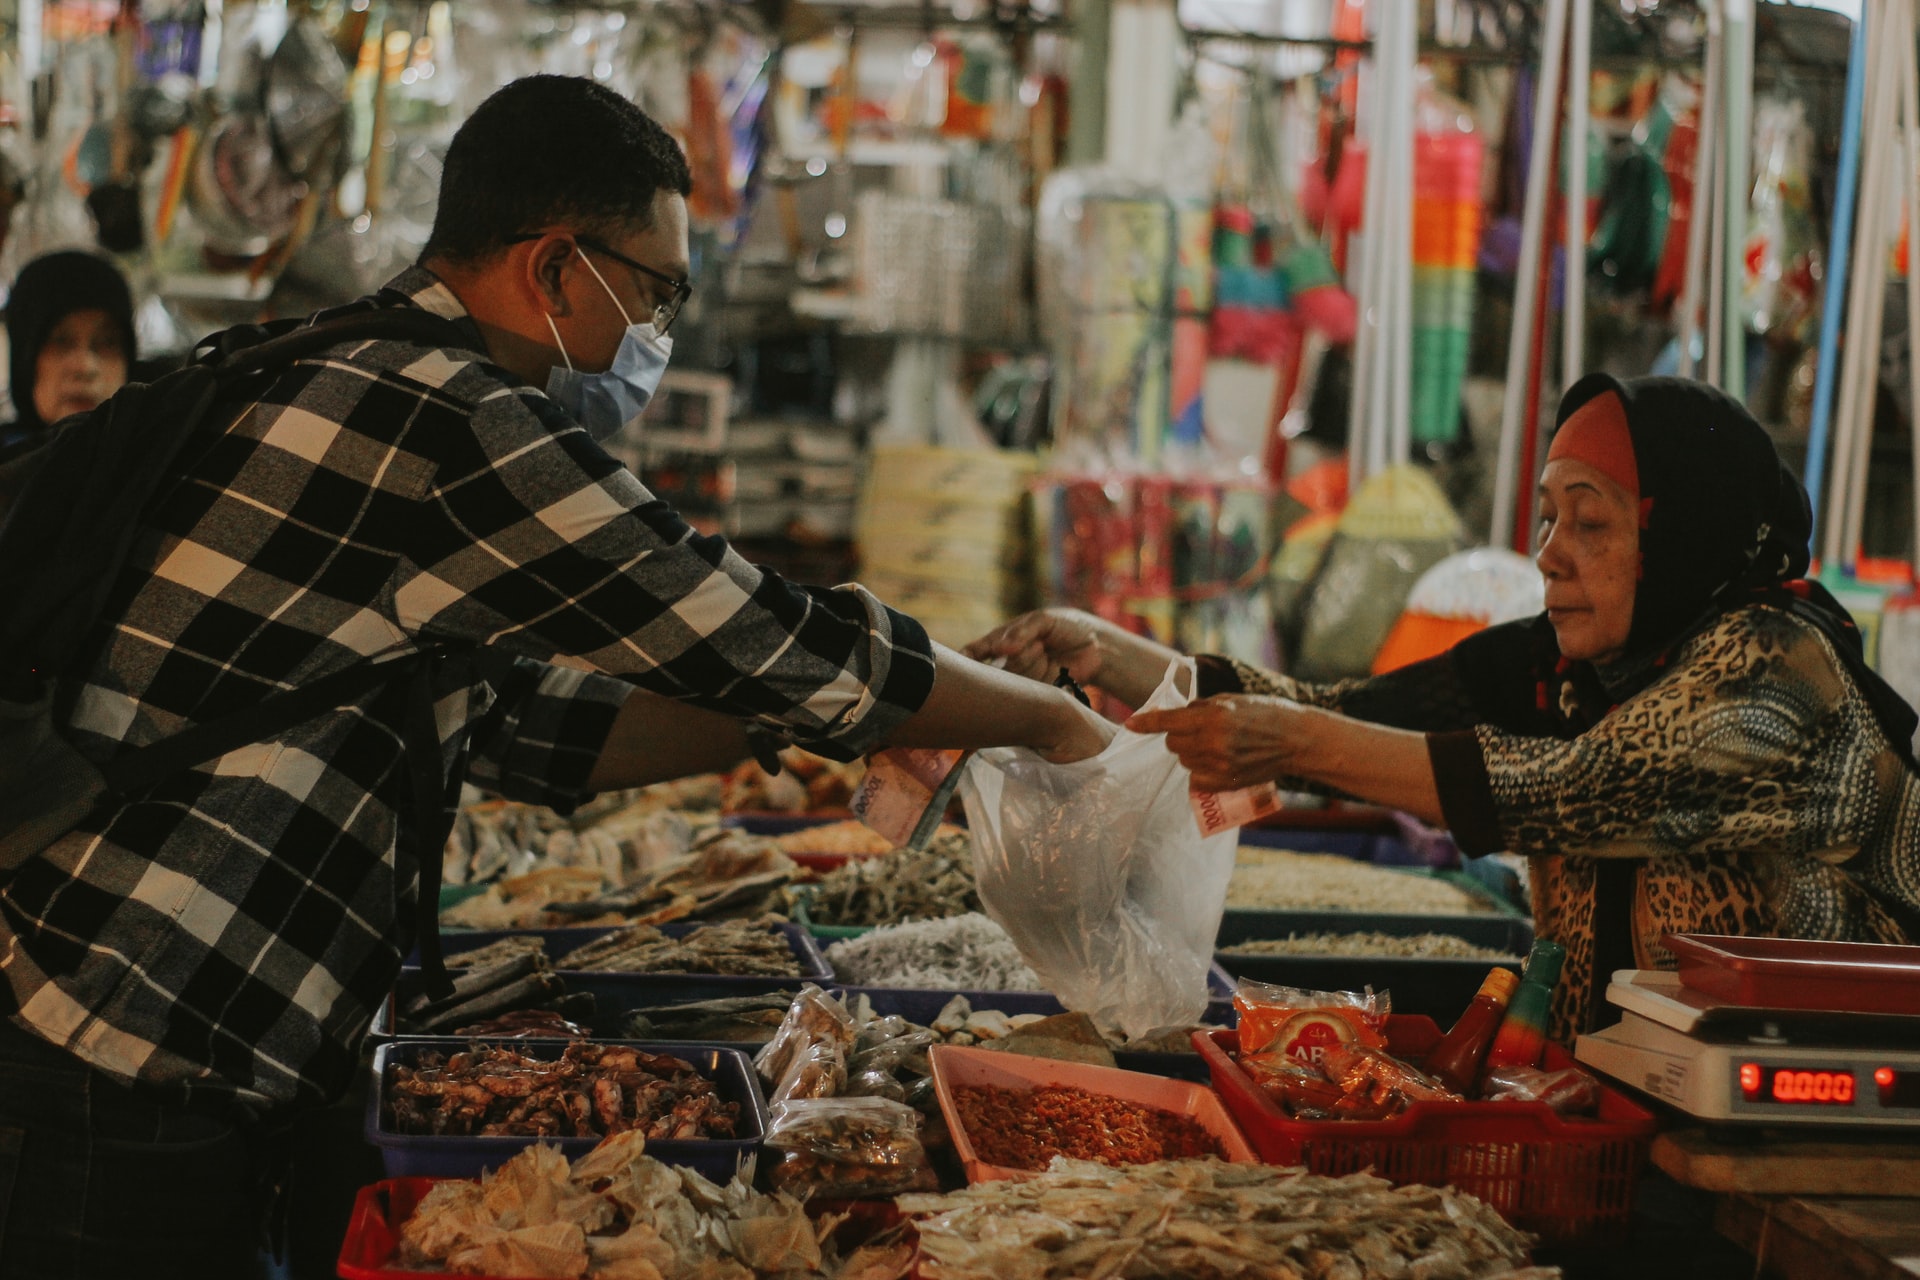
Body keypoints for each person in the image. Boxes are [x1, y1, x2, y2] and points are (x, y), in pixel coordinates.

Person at [0, 75, 1109, 1279]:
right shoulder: (451, 420)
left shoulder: (336, 361)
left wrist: (850, 712)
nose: (658, 330)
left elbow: (529, 725)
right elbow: (759, 632)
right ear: (555, 268)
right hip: (116, 1049)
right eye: (656, 291)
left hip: (141, 1032)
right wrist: (1049, 718)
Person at [971, 373, 1920, 1043]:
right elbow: (1354, 710)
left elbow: (1570, 788)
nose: (1550, 552)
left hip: (1842, 1080)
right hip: (1644, 1095)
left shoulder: (1774, 662)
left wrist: (1300, 740)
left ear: (1679, 537)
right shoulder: (1589, 662)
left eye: (1590, 521)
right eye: (1547, 517)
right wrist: (1110, 653)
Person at [0, 249, 136, 452]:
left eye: (108, 343)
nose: (85, 368)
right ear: (23, 357)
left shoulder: (166, 470)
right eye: (61, 341)